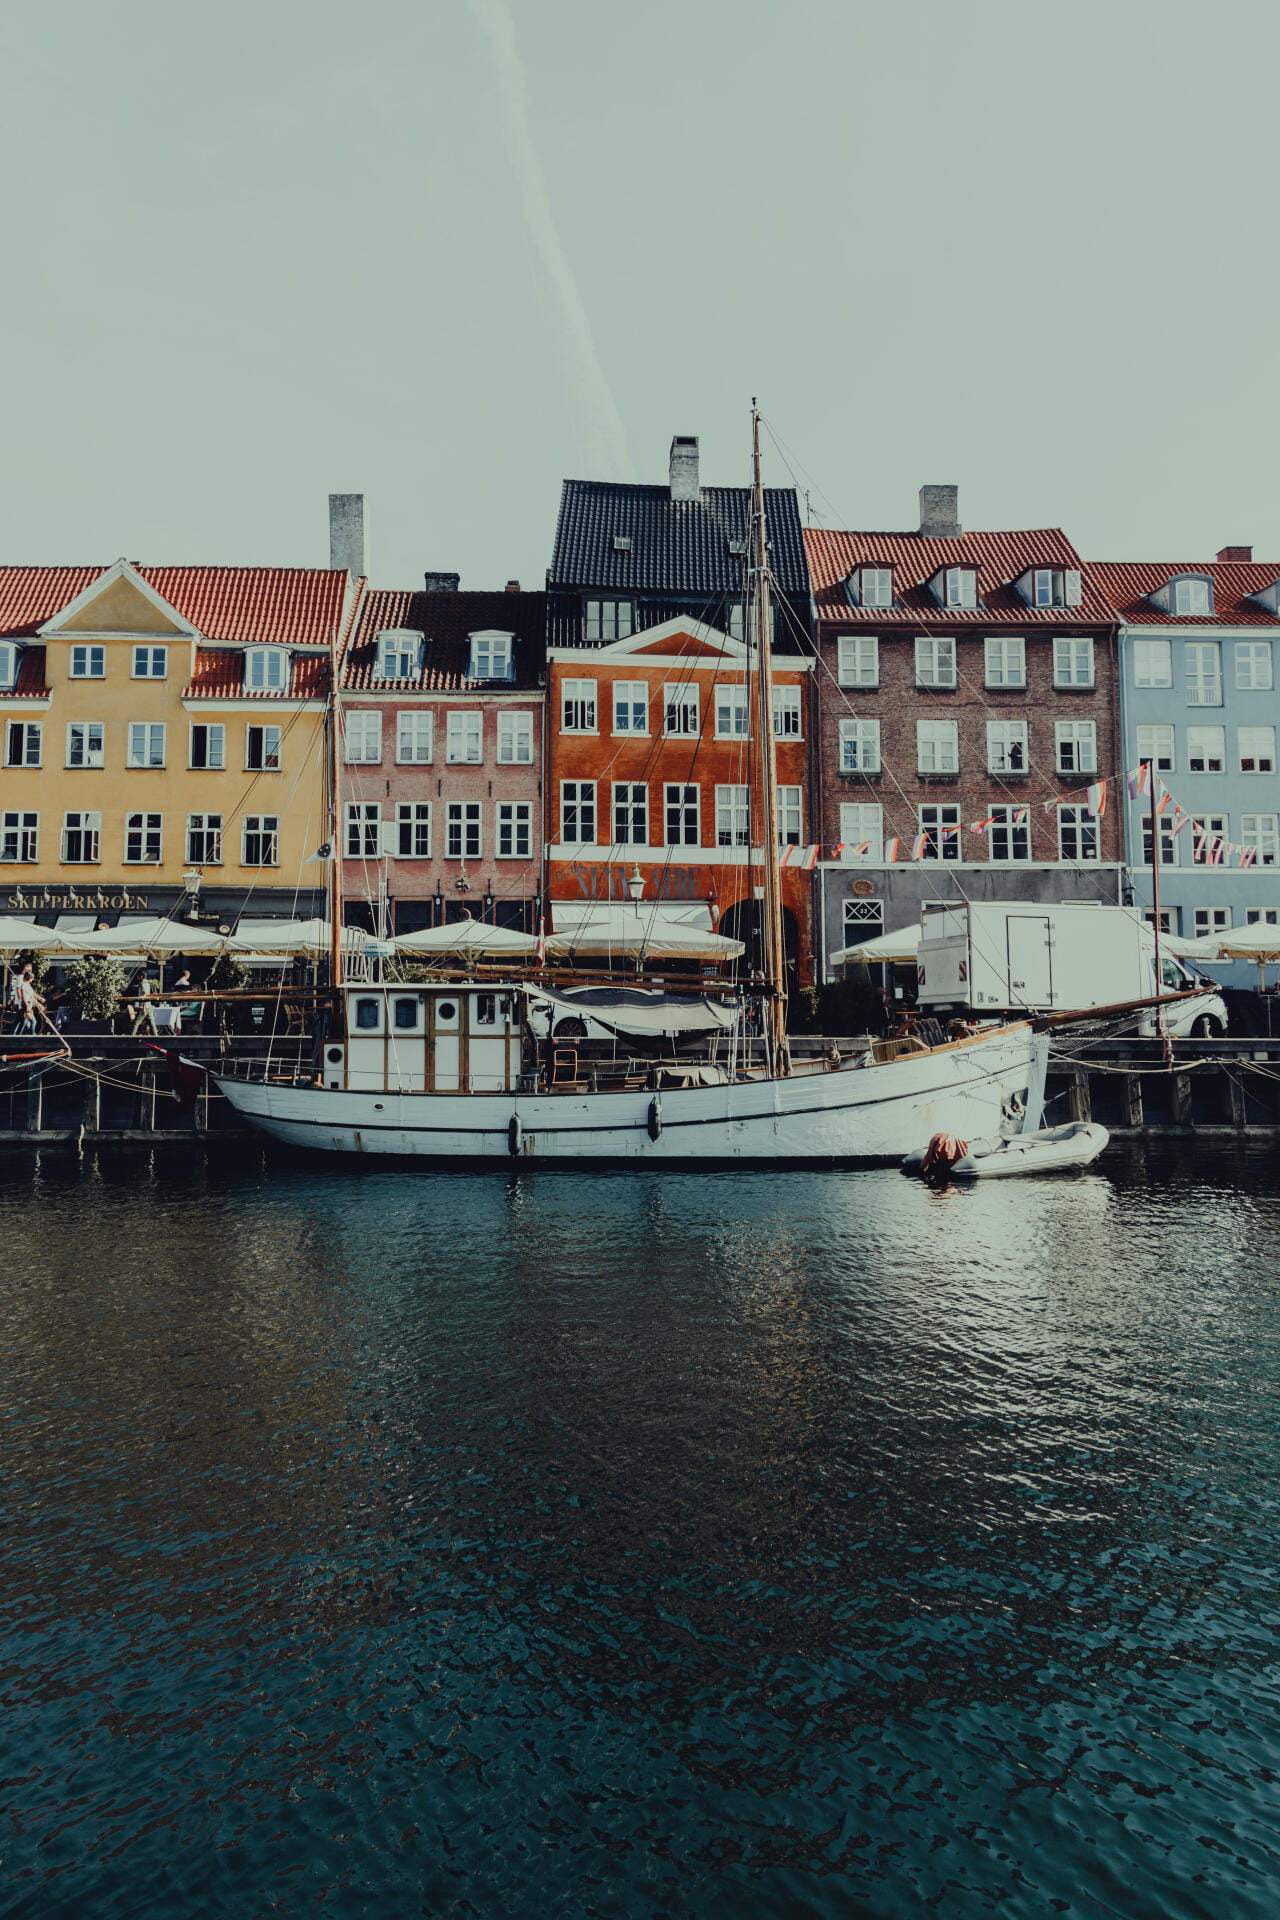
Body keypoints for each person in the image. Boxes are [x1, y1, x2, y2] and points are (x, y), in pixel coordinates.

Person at [13, 965, 44, 1036]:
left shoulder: (28, 985)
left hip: (27, 1004)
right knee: (33, 1021)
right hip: (25, 1004)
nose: (33, 979)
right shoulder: (24, 985)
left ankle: (18, 1036)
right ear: (29, 978)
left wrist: (40, 1000)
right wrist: (27, 1007)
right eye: (32, 978)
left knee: (22, 1022)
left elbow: (32, 994)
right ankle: (32, 1035)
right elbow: (23, 996)